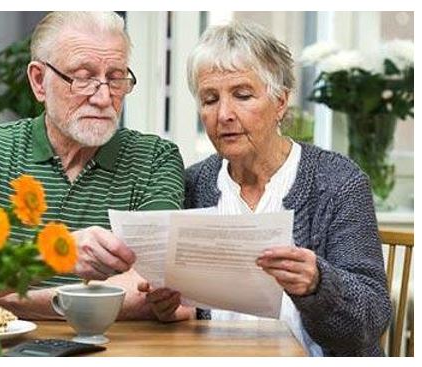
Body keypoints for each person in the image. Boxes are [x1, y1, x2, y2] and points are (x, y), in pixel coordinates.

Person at [142, 21, 392, 356]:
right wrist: (169, 309)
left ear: (281, 102)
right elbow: (188, 316)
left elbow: (371, 321)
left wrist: (319, 283)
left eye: (242, 95)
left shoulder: (339, 182)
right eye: (210, 99)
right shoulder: (191, 185)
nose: (224, 114)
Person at [0, 12, 193, 322]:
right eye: (83, 77)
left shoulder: (155, 158)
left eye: (116, 77)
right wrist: (54, 255)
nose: (104, 97)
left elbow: (151, 291)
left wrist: (3, 302)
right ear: (39, 81)